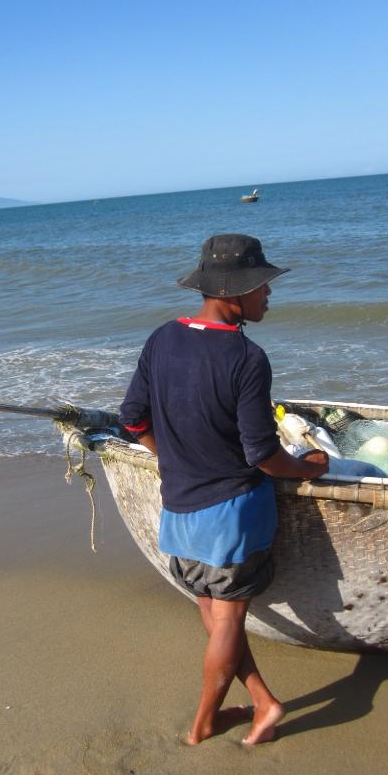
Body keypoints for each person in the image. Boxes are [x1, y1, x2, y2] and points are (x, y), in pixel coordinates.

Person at [119, 234, 329, 746]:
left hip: (178, 510)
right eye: (262, 288)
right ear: (234, 293)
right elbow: (262, 453)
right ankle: (204, 723)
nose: (268, 296)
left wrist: (170, 457)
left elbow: (131, 420)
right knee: (229, 617)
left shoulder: (162, 338)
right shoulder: (246, 358)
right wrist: (308, 468)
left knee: (213, 611)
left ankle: (264, 703)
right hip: (232, 511)